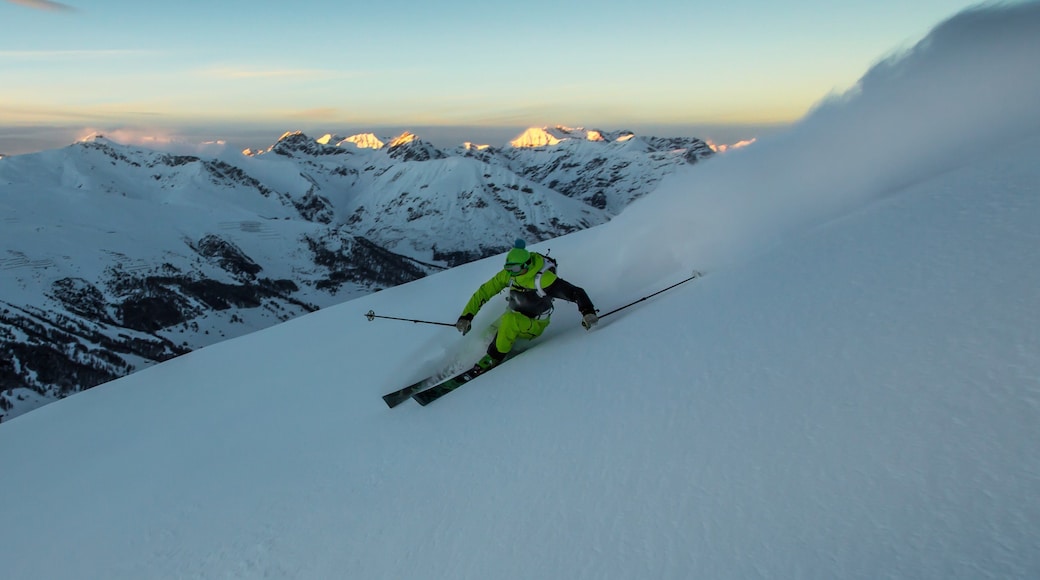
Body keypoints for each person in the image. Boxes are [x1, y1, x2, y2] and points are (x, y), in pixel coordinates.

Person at [455, 239, 598, 371]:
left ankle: (493, 358)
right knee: (489, 332)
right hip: (513, 313)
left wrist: (588, 312)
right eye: (508, 268)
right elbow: (484, 292)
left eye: (515, 269)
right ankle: (462, 361)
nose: (511, 273)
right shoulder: (509, 274)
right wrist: (467, 316)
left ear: (526, 265)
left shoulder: (543, 279)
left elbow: (575, 292)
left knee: (509, 322)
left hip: (534, 324)